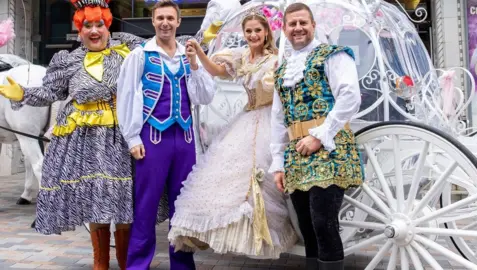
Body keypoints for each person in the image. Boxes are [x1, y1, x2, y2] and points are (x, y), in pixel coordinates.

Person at [0, 0, 145, 269]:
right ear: (79, 30)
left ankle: (126, 262)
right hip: (85, 142)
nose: (93, 30)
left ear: (108, 26)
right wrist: (23, 93)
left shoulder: (128, 55)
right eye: (87, 25)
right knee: (96, 200)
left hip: (121, 136)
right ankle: (100, 261)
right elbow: (50, 93)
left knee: (125, 201)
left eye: (99, 24)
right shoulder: (69, 61)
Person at [167, 7, 297, 259]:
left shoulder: (275, 59)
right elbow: (216, 71)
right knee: (225, 174)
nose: (252, 35)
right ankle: (218, 227)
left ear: (266, 32)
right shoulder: (241, 57)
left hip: (271, 121)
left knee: (259, 177)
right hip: (246, 119)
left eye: (257, 30)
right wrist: (201, 55)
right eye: (248, 31)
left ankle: (261, 234)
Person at [115, 1, 215, 269]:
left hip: (184, 140)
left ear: (179, 22)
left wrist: (195, 64)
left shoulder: (188, 55)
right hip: (153, 140)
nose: (165, 23)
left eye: (170, 18)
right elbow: (125, 97)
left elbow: (205, 96)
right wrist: (133, 138)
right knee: (145, 207)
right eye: (160, 18)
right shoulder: (140, 55)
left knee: (182, 209)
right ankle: (137, 265)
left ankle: (182, 265)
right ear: (153, 20)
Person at [270, 3, 364, 270]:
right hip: (297, 152)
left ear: (313, 25)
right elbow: (278, 119)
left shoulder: (333, 55)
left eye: (303, 23)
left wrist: (320, 136)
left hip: (329, 146)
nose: (298, 28)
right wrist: (278, 163)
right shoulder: (281, 70)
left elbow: (350, 97)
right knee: (307, 227)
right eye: (292, 24)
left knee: (324, 222)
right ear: (285, 29)